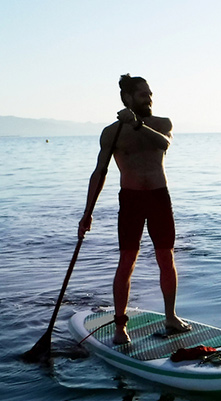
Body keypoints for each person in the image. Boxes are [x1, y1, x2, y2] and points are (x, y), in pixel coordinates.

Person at [78, 74, 190, 344]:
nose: (149, 98)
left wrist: (138, 125)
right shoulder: (111, 132)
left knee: (166, 258)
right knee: (127, 261)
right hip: (130, 200)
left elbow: (164, 143)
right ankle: (120, 327)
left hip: (159, 198)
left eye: (150, 93)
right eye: (143, 94)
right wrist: (87, 212)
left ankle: (171, 317)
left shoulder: (162, 124)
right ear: (128, 98)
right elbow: (100, 172)